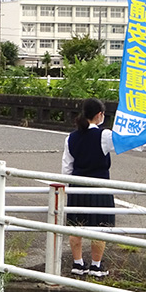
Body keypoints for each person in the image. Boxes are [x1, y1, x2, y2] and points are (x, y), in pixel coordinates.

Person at [61, 98, 113, 278]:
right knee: (100, 225)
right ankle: (96, 266)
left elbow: (66, 168)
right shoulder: (104, 135)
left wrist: (69, 189)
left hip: (77, 185)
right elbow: (126, 143)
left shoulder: (71, 137)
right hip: (100, 185)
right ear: (99, 115)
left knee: (76, 225)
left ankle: (78, 263)